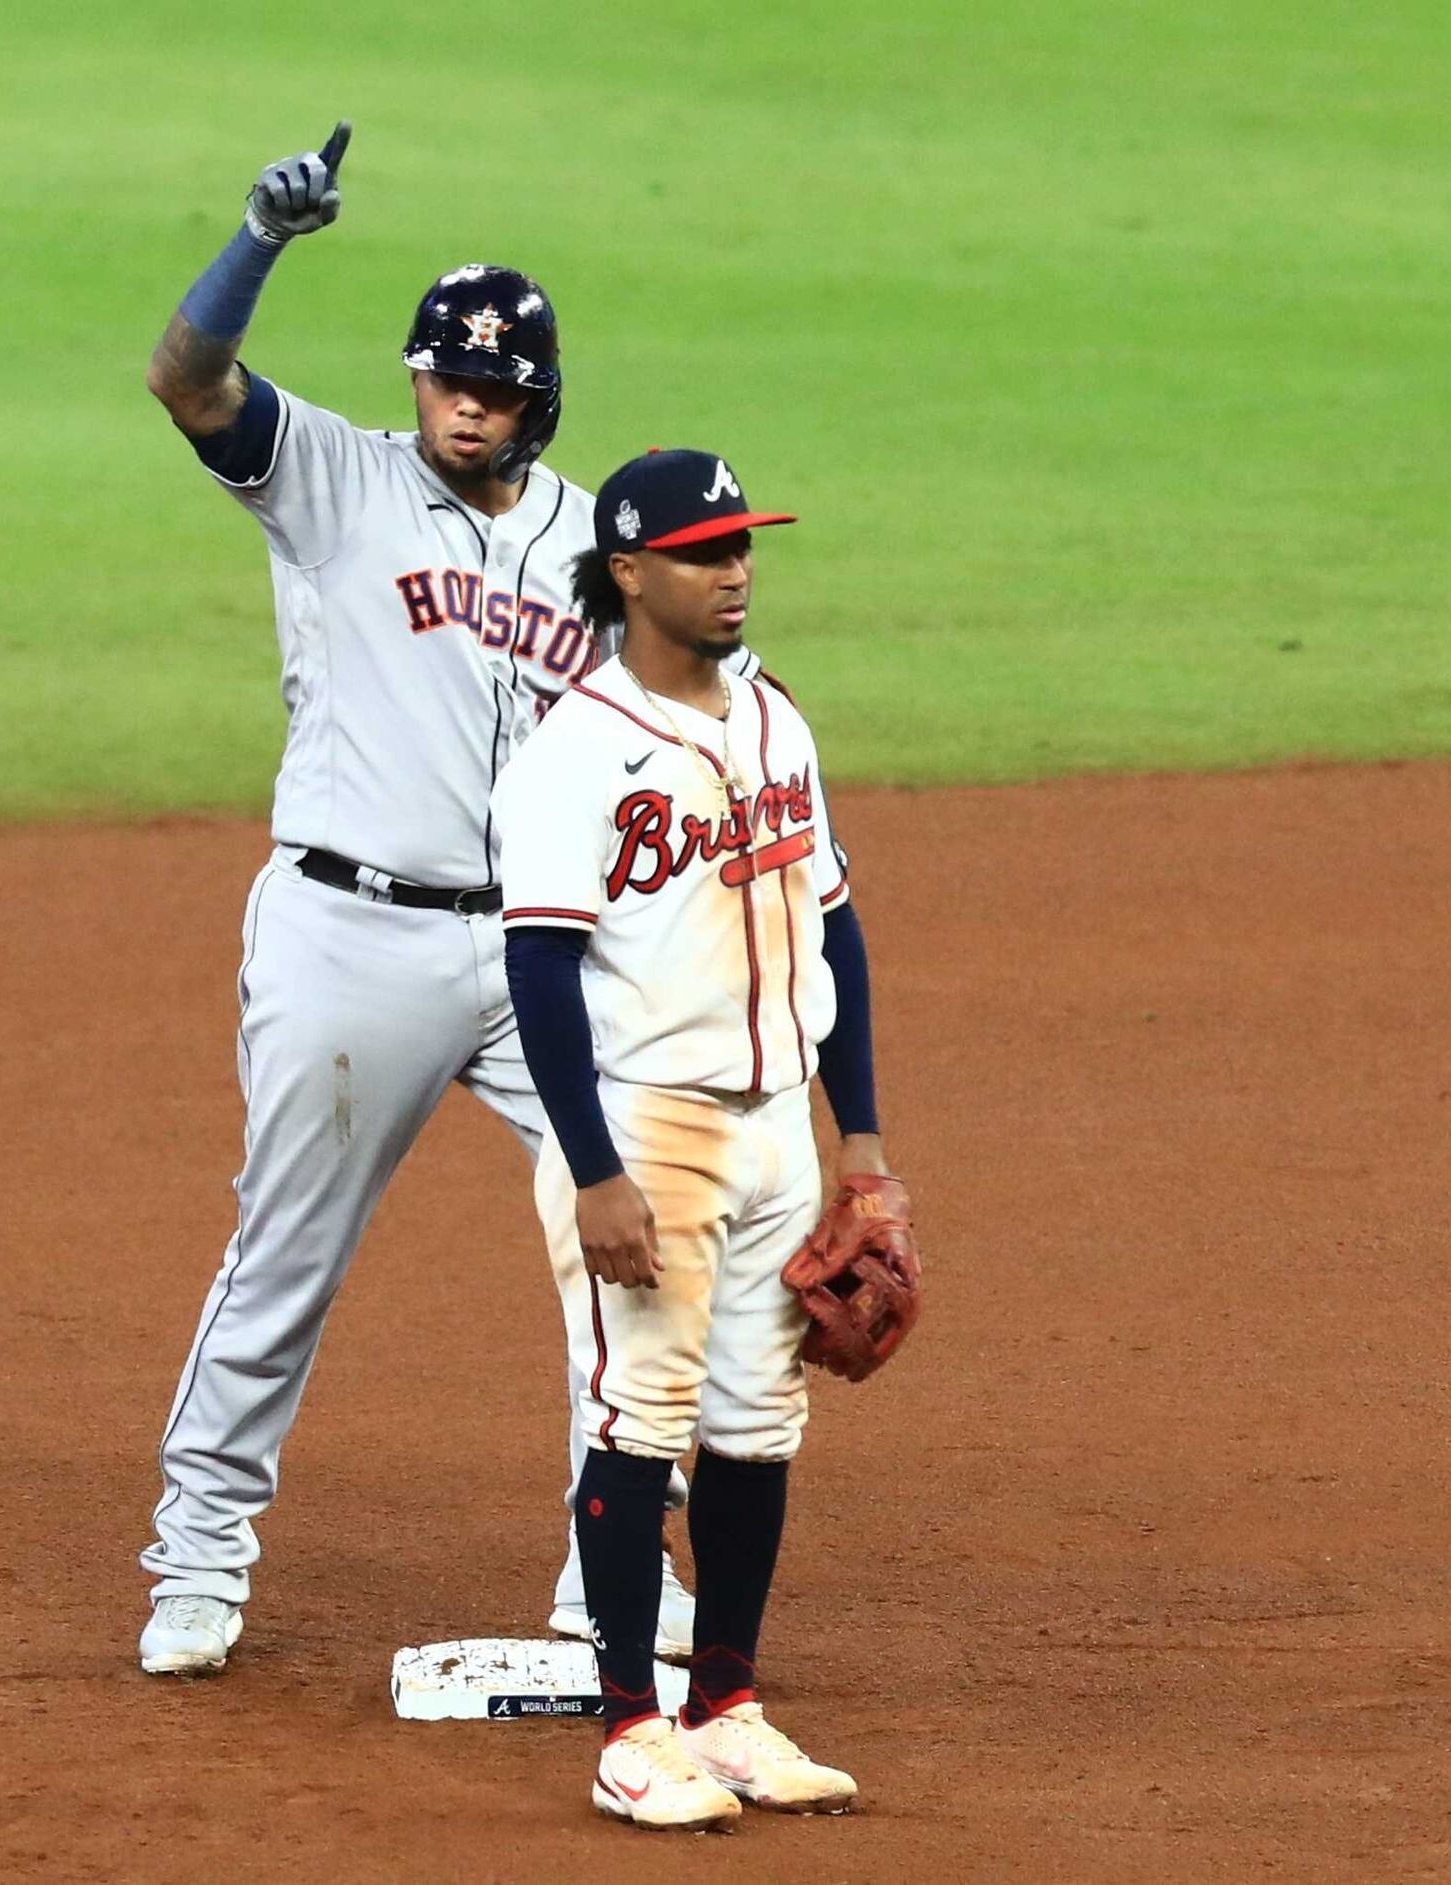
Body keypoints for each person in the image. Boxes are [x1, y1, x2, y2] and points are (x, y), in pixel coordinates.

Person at [136, 124, 734, 1675]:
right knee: (287, 1252)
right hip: (351, 934)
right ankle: (197, 1554)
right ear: (415, 381)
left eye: (496, 388)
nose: (467, 405)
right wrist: (258, 242)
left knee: (646, 1221)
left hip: (536, 948)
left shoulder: (595, 541)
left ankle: (614, 1558)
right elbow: (188, 382)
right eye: (445, 379)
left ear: (541, 400)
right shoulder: (329, 476)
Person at [490, 448, 889, 1829]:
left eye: (743, 546)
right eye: (706, 549)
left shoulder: (777, 718)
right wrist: (592, 1166)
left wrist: (865, 1140)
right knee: (640, 1419)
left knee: (758, 1427)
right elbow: (540, 970)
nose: (735, 570)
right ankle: (628, 1727)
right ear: (629, 571)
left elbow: (831, 921)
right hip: (650, 1126)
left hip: (782, 1120)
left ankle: (727, 1706)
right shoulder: (575, 752)